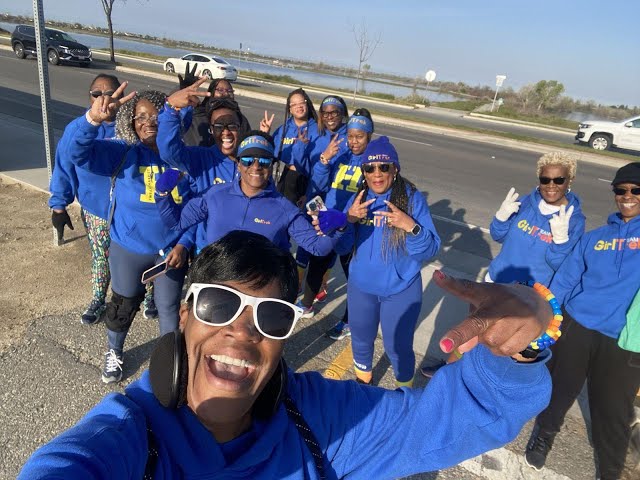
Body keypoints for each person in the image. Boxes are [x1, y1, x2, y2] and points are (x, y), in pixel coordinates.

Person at [19, 229, 554, 480]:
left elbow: (445, 424)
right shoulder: (131, 431)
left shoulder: (321, 420)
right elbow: (68, 466)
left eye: (272, 316)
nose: (242, 331)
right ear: (183, 314)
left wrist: (519, 347)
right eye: (219, 303)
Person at [62, 85, 195, 384]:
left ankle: (170, 365)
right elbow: (77, 153)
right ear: (131, 123)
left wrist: (185, 244)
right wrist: (92, 121)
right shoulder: (122, 153)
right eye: (140, 116)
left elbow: (197, 208)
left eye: (156, 115)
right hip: (128, 248)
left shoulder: (184, 159)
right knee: (122, 306)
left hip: (169, 253)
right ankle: (114, 352)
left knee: (169, 309)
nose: (148, 121)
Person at [421, 152, 586, 378]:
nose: (551, 186)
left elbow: (560, 264)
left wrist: (560, 241)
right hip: (495, 281)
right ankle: (450, 373)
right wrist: (501, 216)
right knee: (473, 330)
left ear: (569, 181)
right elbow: (498, 235)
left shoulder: (574, 220)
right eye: (545, 179)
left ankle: (470, 379)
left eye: (559, 180)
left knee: (499, 344)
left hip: (524, 297)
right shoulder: (528, 202)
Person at [523, 162, 640, 479]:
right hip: (578, 325)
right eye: (621, 189)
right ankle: (544, 435)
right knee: (560, 389)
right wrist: (548, 317)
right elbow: (566, 279)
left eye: (635, 190)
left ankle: (610, 468)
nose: (627, 196)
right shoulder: (595, 238)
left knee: (613, 409)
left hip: (623, 339)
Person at [319, 136, 440, 386]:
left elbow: (429, 250)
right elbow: (342, 246)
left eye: (384, 166)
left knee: (397, 347)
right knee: (361, 341)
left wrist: (411, 226)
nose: (377, 173)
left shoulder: (411, 199)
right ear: (363, 171)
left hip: (401, 289)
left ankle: (403, 392)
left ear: (395, 169)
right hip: (361, 287)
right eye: (370, 168)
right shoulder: (359, 198)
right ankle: (363, 387)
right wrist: (348, 220)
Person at [155, 131, 344, 257]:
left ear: (272, 165)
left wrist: (339, 228)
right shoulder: (215, 195)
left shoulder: (285, 208)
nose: (255, 166)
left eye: (263, 161)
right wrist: (162, 194)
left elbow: (317, 248)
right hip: (214, 285)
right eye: (247, 160)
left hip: (254, 296)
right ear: (238, 163)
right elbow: (176, 222)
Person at [297, 108, 375, 339]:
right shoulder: (341, 155)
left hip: (353, 229)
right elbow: (320, 184)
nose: (354, 141)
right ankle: (307, 305)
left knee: (354, 277)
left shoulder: (372, 162)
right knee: (317, 262)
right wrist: (325, 159)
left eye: (359, 136)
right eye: (351, 136)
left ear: (369, 137)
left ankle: (350, 321)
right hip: (329, 221)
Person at [49, 74, 119, 324]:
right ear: (89, 97)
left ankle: (148, 297)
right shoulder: (78, 129)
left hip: (130, 213)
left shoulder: (133, 127)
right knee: (101, 257)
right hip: (96, 211)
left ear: (120, 95)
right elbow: (63, 167)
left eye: (109, 93)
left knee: (140, 257)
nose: (102, 99)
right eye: (96, 94)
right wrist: (59, 206)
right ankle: (99, 299)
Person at [157, 80, 242, 252]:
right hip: (207, 253)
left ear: (240, 128)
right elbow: (168, 151)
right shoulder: (200, 159)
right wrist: (171, 109)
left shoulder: (254, 164)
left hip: (242, 254)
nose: (225, 132)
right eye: (218, 126)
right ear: (211, 130)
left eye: (231, 125)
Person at [175, 63, 251, 147]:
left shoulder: (240, 120)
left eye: (229, 91)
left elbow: (248, 145)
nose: (226, 93)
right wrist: (185, 90)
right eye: (220, 90)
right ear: (210, 93)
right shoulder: (197, 112)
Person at [271, 88, 320, 206]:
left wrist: (309, 194)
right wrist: (265, 133)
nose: (299, 106)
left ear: (307, 104)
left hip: (306, 184)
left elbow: (320, 167)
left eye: (302, 103)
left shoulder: (318, 130)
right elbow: (271, 156)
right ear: (290, 109)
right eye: (294, 104)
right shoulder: (283, 129)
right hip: (283, 181)